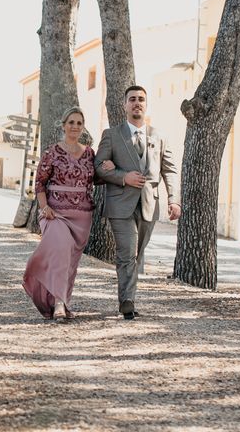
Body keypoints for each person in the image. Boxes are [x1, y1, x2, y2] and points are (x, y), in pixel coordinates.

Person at [95, 85, 181, 320]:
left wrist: (174, 200)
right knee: (127, 253)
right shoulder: (111, 135)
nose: (137, 103)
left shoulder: (159, 135)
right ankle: (127, 302)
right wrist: (123, 176)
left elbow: (170, 170)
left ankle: (128, 295)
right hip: (120, 204)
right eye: (132, 99)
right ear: (124, 105)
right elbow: (98, 168)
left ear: (146, 104)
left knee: (137, 255)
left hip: (149, 204)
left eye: (141, 99)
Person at [22, 106, 97, 320]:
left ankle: (63, 300)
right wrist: (45, 207)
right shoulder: (51, 152)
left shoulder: (90, 153)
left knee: (70, 263)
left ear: (83, 128)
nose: (75, 126)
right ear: (63, 125)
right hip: (54, 214)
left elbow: (98, 178)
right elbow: (40, 184)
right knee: (61, 251)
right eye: (71, 122)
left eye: (79, 123)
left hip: (82, 216)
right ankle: (58, 304)